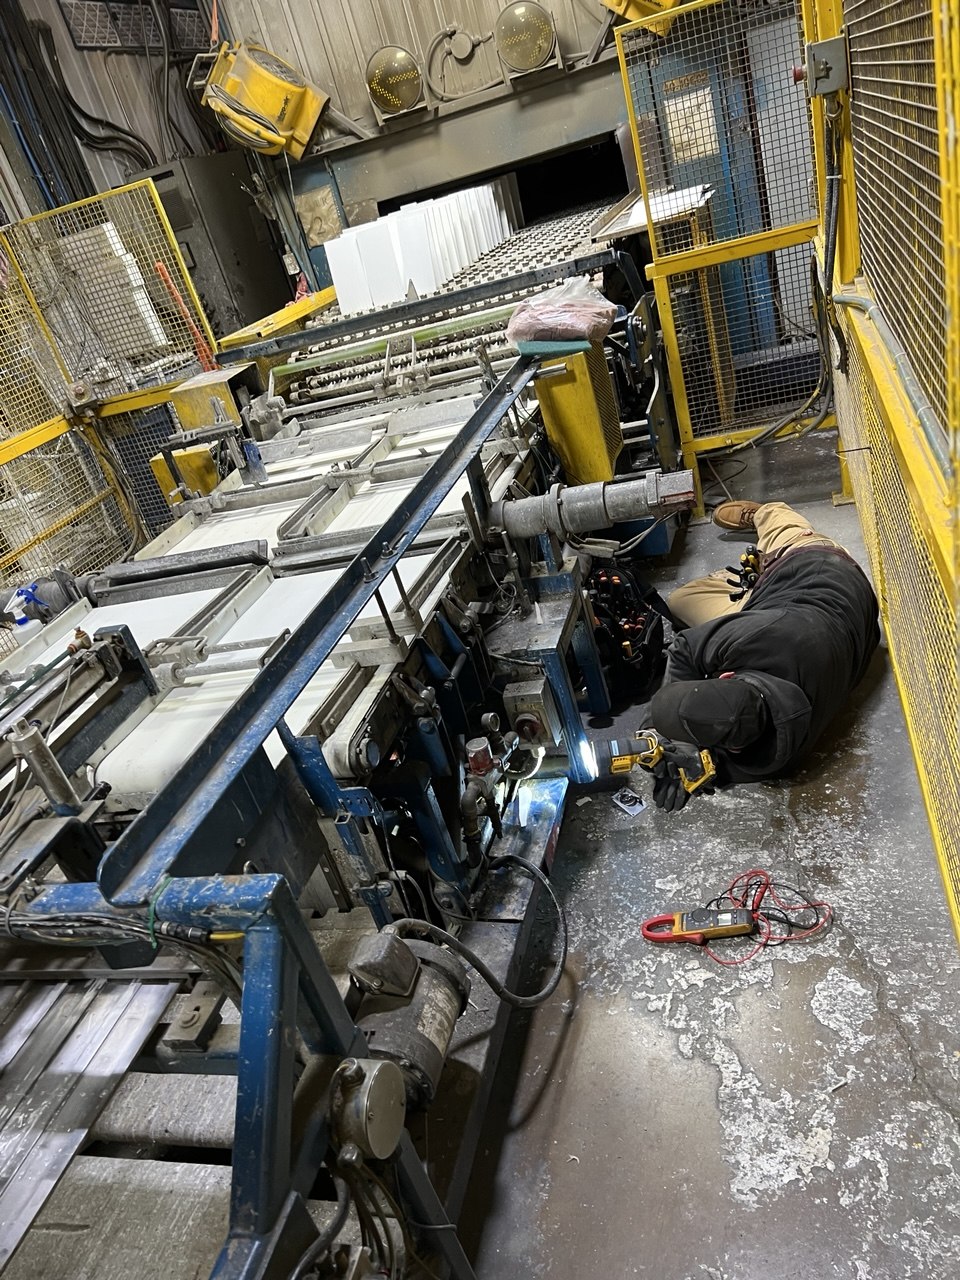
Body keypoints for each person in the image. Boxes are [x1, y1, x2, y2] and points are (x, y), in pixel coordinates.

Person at [646, 500, 880, 811]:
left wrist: (682, 760)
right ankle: (757, 539)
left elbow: (713, 766)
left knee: (680, 599)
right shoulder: (759, 637)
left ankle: (754, 555)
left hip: (807, 583)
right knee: (774, 521)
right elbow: (686, 649)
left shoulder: (777, 761)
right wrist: (667, 735)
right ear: (728, 677)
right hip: (826, 575)